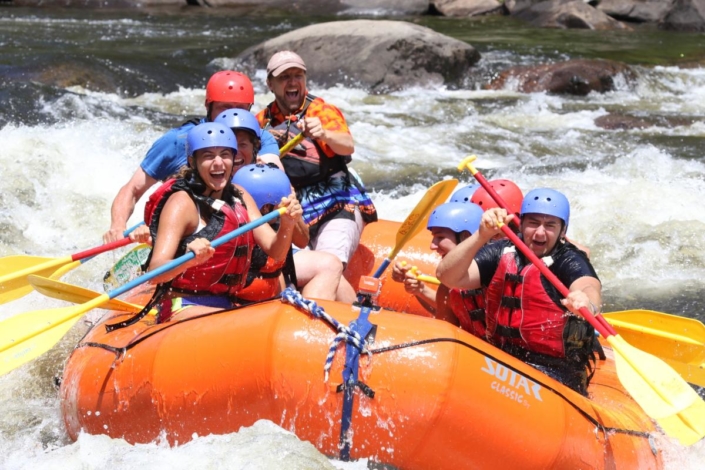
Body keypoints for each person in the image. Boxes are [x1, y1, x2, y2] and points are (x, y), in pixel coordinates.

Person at [436, 188, 601, 395]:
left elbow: (588, 285)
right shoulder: (501, 251)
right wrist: (480, 235)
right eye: (533, 223)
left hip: (554, 370)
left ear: (562, 231)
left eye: (550, 225)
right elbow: (448, 277)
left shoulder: (568, 258)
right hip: (498, 357)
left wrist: (585, 299)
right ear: (521, 224)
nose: (540, 232)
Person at [131, 122, 302, 320]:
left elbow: (275, 251)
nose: (219, 163)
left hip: (225, 304)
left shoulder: (240, 196)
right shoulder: (182, 203)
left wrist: (287, 225)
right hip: (183, 305)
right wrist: (187, 259)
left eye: (225, 154)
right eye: (208, 156)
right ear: (192, 162)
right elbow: (155, 271)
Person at [255, 50, 378, 303]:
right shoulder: (262, 122)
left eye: (297, 75)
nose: (292, 82)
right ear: (270, 84)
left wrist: (323, 134)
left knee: (329, 264)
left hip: (338, 203)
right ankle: (355, 310)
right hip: (295, 211)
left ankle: (351, 320)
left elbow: (347, 145)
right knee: (312, 269)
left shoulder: (320, 110)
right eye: (284, 77)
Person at [104, 70, 281, 243]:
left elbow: (275, 174)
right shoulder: (179, 140)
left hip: (242, 224)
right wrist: (118, 226)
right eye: (224, 108)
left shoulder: (258, 138)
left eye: (240, 110)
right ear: (208, 106)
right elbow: (133, 189)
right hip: (186, 229)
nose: (231, 116)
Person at [391, 202, 486, 338]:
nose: (432, 246)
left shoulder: (497, 272)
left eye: (440, 237)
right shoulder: (447, 286)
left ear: (465, 237)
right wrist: (420, 290)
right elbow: (444, 331)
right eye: (433, 237)